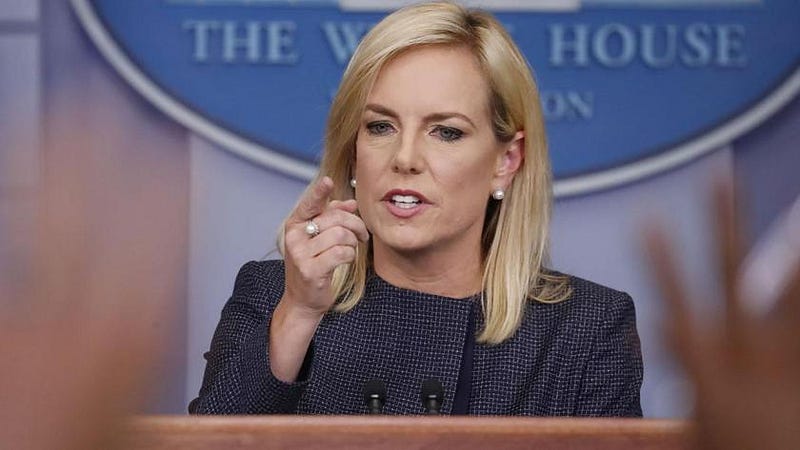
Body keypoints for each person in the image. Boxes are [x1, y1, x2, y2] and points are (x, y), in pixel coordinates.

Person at [190, 1, 642, 416]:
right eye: (381, 126)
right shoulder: (272, 295)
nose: (404, 158)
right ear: (353, 151)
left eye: (446, 132)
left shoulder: (588, 327)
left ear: (505, 162)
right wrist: (299, 314)